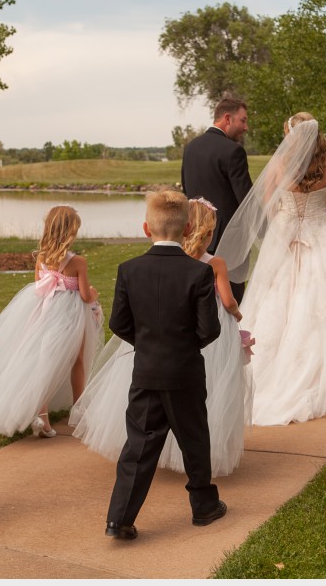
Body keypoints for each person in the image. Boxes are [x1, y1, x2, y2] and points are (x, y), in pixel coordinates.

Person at [70, 197, 252, 478]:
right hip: (197, 339)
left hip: (155, 339)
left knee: (152, 406)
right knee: (205, 398)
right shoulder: (212, 263)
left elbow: (120, 321)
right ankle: (198, 473)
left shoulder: (147, 264)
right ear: (199, 229)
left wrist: (144, 340)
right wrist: (237, 315)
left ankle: (160, 455)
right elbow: (227, 302)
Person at [216, 112, 326, 427]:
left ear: (290, 135)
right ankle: (319, 369)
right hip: (317, 231)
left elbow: (268, 203)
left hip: (284, 233)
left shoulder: (280, 166)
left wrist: (289, 210)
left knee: (276, 293)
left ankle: (263, 367)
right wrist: (316, 206)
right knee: (319, 296)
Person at [103, 189, 225, 540]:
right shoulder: (197, 273)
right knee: (194, 439)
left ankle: (119, 518)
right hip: (184, 371)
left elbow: (118, 323)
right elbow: (209, 329)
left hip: (146, 372)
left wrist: (148, 345)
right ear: (188, 229)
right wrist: (182, 346)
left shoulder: (129, 270)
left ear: (146, 228)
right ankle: (203, 507)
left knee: (138, 446)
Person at [0, 205, 103, 438]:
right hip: (71, 317)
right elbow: (85, 296)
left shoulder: (41, 257)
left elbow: (39, 286)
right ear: (71, 232)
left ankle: (42, 419)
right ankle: (79, 410)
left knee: (43, 364)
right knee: (77, 361)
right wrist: (93, 294)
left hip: (44, 312)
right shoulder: (78, 262)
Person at [181, 95, 253, 303]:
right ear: (228, 118)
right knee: (230, 298)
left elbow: (187, 192)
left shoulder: (191, 147)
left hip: (193, 238)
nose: (246, 127)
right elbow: (247, 202)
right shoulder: (233, 151)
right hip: (228, 241)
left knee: (199, 299)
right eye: (243, 120)